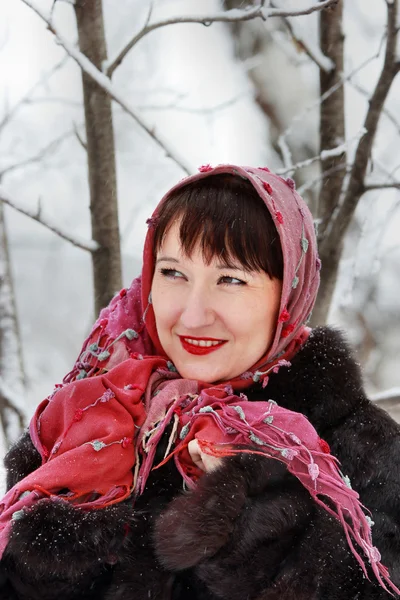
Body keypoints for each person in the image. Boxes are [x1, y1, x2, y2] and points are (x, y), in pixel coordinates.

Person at [0, 164, 400, 600]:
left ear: (289, 293)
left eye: (230, 279)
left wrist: (254, 535)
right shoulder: (88, 419)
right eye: (173, 273)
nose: (192, 315)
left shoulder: (365, 454)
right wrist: (63, 541)